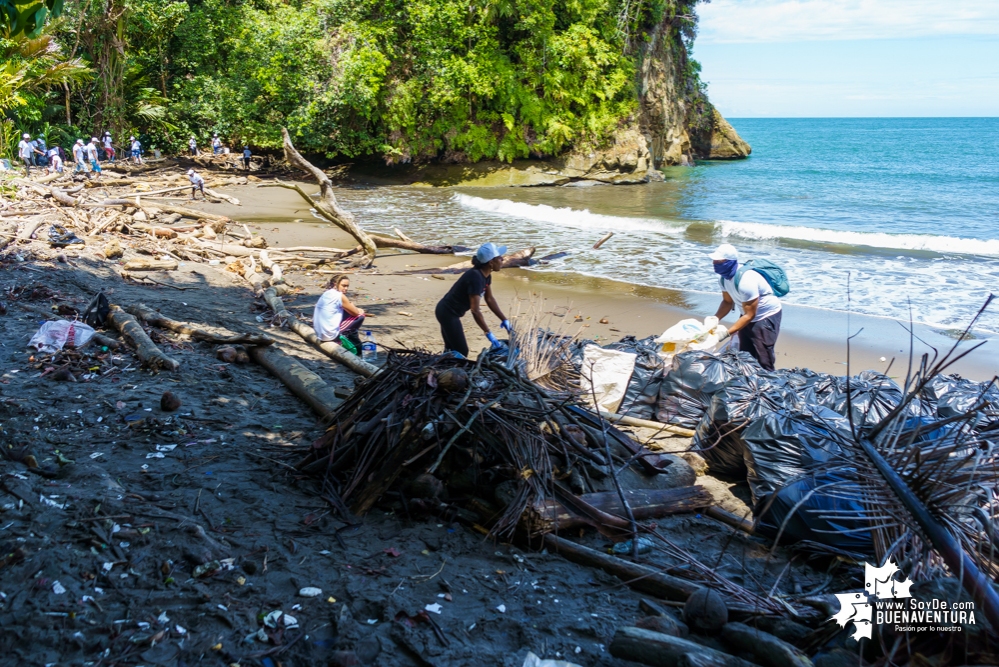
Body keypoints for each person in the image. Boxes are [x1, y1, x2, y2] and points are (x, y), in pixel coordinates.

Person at [711, 243, 783, 371]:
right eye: (714, 260)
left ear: (730, 262)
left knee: (763, 356)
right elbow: (727, 302)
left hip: (765, 315)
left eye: (719, 261)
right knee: (745, 353)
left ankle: (769, 383)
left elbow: (750, 315)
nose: (715, 263)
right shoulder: (723, 279)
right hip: (747, 313)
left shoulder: (746, 280)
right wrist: (715, 318)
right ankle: (749, 382)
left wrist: (726, 333)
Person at [435, 242, 511, 358]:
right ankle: (445, 370)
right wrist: (488, 333)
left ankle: (442, 368)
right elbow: (475, 310)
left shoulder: (486, 275)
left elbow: (489, 299)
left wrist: (505, 320)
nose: (503, 259)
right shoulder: (475, 277)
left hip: (447, 311)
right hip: (447, 313)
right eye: (499, 258)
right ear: (491, 262)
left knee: (451, 349)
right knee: (461, 351)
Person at [313, 274, 367, 353]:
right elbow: (355, 313)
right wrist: (356, 308)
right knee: (361, 315)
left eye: (347, 286)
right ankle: (343, 337)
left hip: (319, 334)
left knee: (346, 311)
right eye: (343, 286)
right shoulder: (339, 296)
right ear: (336, 284)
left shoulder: (327, 293)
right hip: (329, 335)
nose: (346, 288)